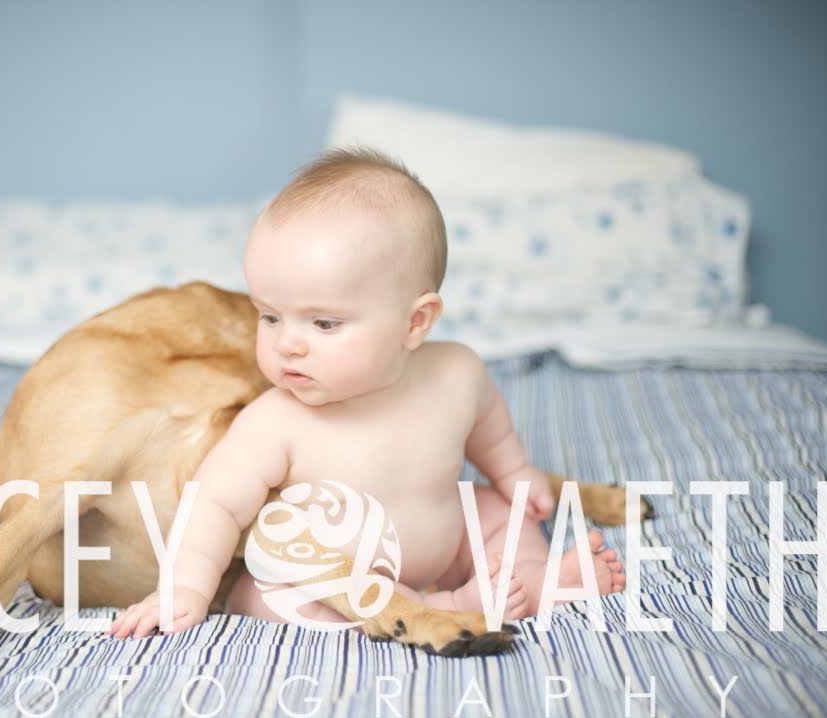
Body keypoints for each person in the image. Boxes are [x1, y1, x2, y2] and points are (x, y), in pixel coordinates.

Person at [108, 148, 624, 639]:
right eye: (269, 316)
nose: (287, 344)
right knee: (262, 593)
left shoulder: (456, 373)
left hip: (446, 549)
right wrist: (185, 589)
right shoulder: (275, 422)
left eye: (324, 323)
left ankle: (536, 580)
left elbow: (491, 430)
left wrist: (515, 474)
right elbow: (215, 506)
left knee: (496, 512)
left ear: (415, 322)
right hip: (342, 582)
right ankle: (445, 607)